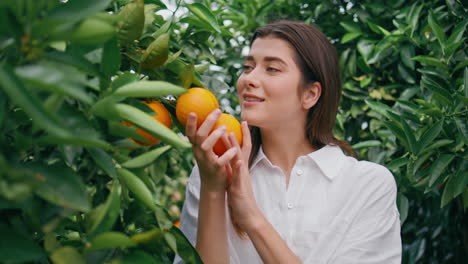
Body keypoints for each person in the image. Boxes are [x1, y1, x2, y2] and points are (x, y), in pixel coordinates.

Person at [174, 21, 402, 264]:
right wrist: (213, 189)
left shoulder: (366, 185)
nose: (250, 78)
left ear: (310, 94)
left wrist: (251, 216)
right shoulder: (213, 171)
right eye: (248, 67)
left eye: (272, 69)